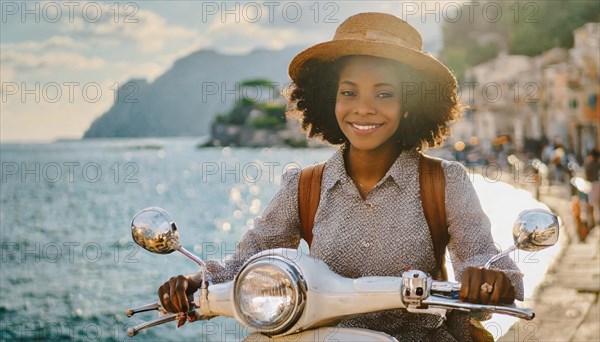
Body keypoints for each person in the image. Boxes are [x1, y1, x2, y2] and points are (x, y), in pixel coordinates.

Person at [157, 12, 523, 341]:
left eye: (384, 93)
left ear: (410, 105)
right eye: (349, 92)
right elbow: (246, 262)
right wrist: (197, 283)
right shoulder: (303, 186)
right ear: (329, 100)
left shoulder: (443, 181)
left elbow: (483, 257)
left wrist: (489, 280)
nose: (364, 107)